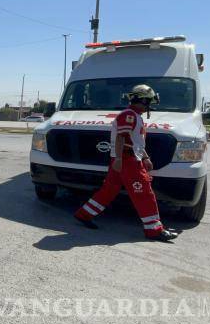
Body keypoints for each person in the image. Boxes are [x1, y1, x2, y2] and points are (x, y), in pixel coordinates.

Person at [73, 84, 179, 242]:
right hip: (127, 160)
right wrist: (119, 159)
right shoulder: (128, 115)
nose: (149, 106)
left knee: (109, 190)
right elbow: (121, 138)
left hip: (127, 158)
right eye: (149, 102)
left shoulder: (134, 116)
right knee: (144, 193)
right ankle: (154, 230)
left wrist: (145, 157)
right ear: (143, 100)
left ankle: (84, 214)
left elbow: (136, 142)